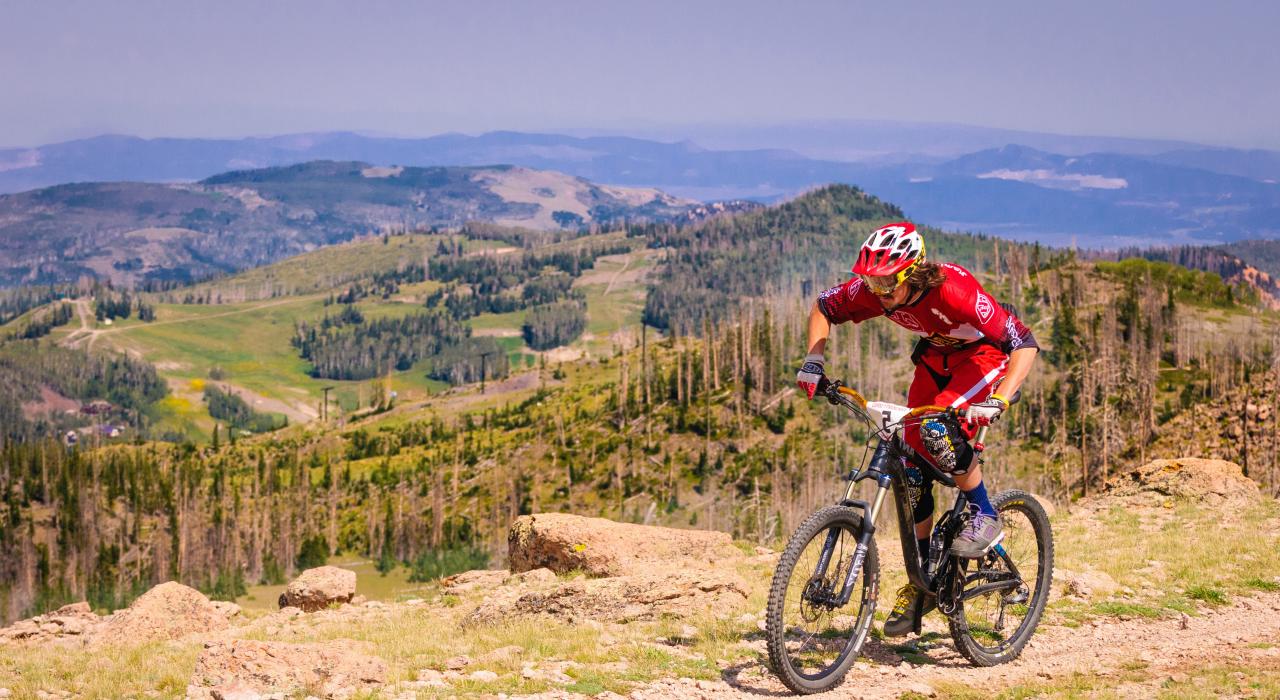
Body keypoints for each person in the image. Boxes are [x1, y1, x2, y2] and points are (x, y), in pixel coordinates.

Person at [796, 221, 1039, 637]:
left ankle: (984, 513)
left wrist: (1000, 397)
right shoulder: (876, 290)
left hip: (982, 360)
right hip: (933, 363)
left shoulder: (954, 290)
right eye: (871, 281)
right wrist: (813, 360)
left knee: (935, 431)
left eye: (887, 283)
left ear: (913, 272)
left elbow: (1024, 341)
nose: (878, 292)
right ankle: (922, 581)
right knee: (908, 469)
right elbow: (824, 307)